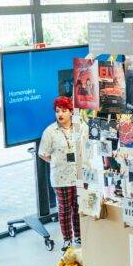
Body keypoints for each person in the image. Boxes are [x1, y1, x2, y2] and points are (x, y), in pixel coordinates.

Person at [38, 96, 80, 249]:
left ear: (71, 111)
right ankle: (67, 239)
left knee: (78, 208)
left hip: (79, 175)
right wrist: (56, 162)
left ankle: (79, 236)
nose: (60, 114)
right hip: (61, 177)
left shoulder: (80, 126)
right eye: (57, 111)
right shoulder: (50, 131)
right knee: (64, 210)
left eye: (64, 111)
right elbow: (43, 153)